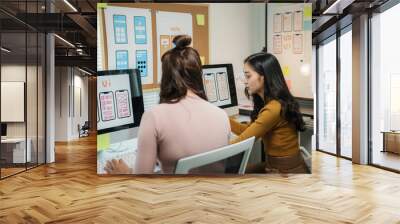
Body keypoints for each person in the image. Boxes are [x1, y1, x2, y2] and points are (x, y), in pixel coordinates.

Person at [105, 35, 230, 174]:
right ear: (198, 74)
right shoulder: (222, 115)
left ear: (166, 77)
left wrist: (125, 173)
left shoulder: (153, 116)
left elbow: (141, 180)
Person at [230, 49, 308, 173]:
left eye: (248, 76)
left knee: (233, 174)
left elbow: (244, 140)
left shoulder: (273, 108)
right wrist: (223, 119)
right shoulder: (274, 102)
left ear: (263, 77)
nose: (245, 81)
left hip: (285, 171)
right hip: (283, 165)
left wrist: (210, 154)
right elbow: (249, 131)